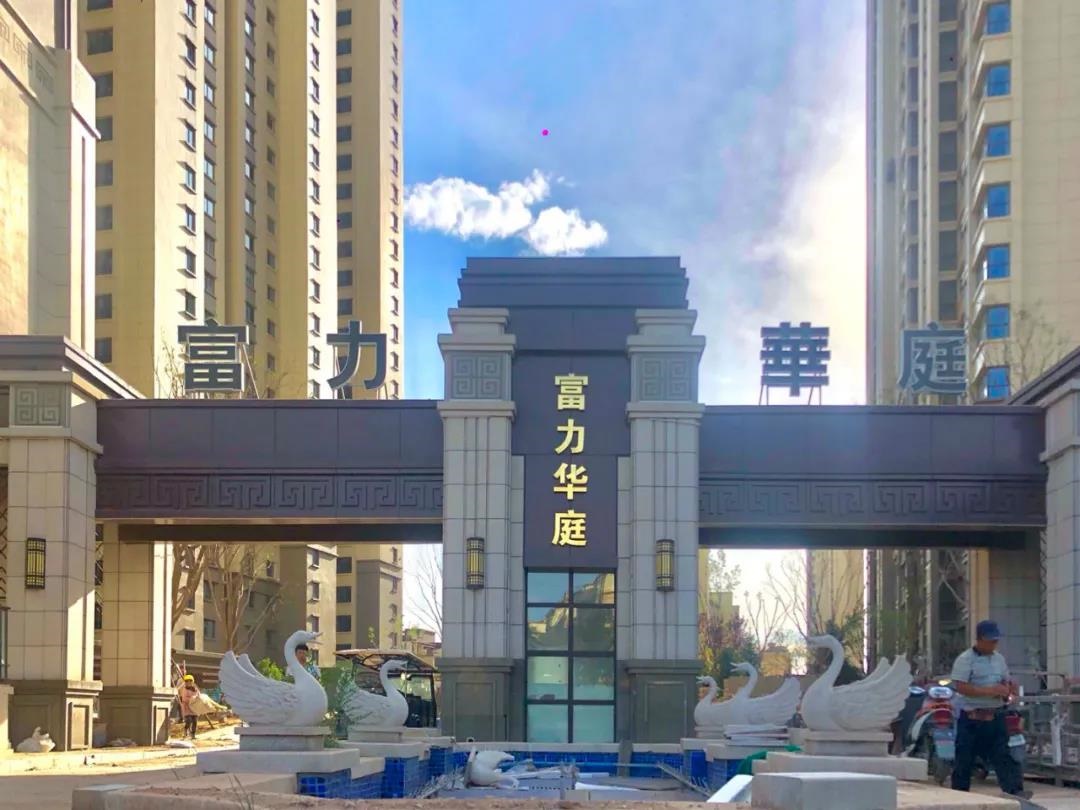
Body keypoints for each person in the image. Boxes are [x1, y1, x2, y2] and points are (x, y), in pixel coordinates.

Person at [949, 620, 1030, 800]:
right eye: (990, 641)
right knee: (964, 759)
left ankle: (1015, 792)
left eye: (996, 641)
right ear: (980, 639)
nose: (994, 644)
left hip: (995, 716)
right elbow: (961, 687)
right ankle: (958, 796)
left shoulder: (999, 659)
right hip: (972, 718)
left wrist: (1009, 687)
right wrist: (990, 691)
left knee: (1003, 756)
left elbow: (1005, 679)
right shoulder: (965, 660)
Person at [177, 673, 201, 739]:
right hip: (187, 707)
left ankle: (193, 734)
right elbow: (184, 698)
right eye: (187, 681)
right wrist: (192, 699)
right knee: (189, 720)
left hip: (194, 708)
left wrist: (198, 698)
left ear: (192, 682)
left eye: (190, 681)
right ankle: (186, 730)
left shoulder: (195, 689)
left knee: (195, 721)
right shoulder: (185, 690)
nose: (189, 682)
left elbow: (199, 696)